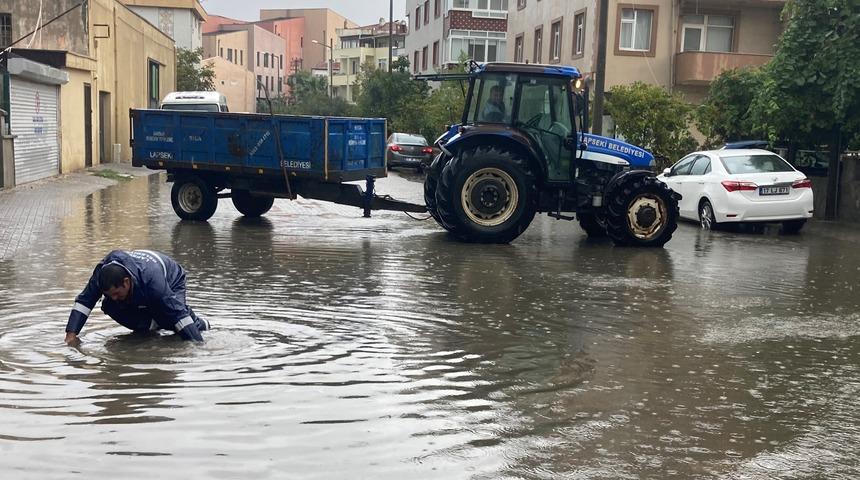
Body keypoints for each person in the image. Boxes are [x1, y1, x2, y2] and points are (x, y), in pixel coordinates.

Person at [65, 250, 210, 344]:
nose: (114, 297)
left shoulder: (153, 282)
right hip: (142, 284)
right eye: (110, 294)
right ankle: (151, 329)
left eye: (116, 293)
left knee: (172, 319)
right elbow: (84, 303)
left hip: (171, 279)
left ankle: (201, 324)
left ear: (126, 282)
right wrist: (71, 335)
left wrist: (197, 346)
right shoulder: (100, 276)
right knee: (109, 306)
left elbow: (178, 316)